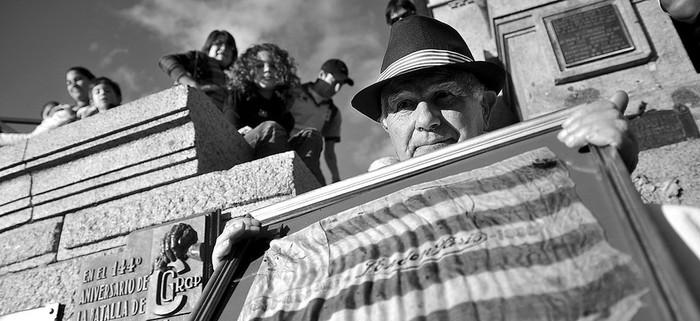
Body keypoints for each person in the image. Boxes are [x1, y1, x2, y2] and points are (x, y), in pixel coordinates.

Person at [209, 16, 639, 270]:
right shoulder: (355, 220)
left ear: (485, 106)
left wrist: (599, 174)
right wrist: (242, 271)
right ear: (384, 124)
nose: (426, 120)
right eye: (404, 105)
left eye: (444, 96)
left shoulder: (553, 170)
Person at [224, 43, 322, 165]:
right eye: (260, 66)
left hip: (276, 153)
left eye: (273, 66)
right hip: (242, 150)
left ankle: (307, 180)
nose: (267, 70)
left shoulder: (283, 110)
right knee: (270, 128)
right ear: (249, 70)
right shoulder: (238, 96)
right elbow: (229, 133)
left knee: (311, 136)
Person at [289, 59, 354, 184]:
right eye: (335, 81)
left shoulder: (333, 112)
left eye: (341, 84)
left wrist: (336, 177)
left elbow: (329, 151)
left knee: (321, 191)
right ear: (321, 75)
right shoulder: (294, 92)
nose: (336, 88)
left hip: (310, 158)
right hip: (285, 148)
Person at [159, 30, 237, 112]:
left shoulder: (231, 80)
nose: (224, 48)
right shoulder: (200, 59)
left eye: (229, 47)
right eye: (218, 43)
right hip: (198, 109)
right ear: (209, 46)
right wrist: (192, 84)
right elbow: (167, 60)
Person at [0, 101, 76, 146]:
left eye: (51, 110)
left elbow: (31, 139)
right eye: (47, 114)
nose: (51, 113)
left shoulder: (60, 114)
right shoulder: (49, 122)